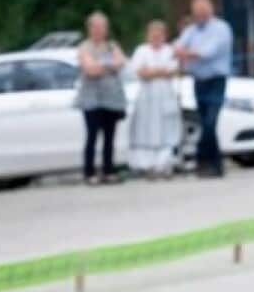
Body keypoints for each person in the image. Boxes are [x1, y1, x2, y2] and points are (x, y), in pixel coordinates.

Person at [174, 0, 233, 179]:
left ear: (210, 9)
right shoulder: (191, 31)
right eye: (195, 12)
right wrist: (185, 53)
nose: (199, 15)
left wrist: (187, 53)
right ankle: (215, 165)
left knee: (210, 122)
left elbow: (208, 53)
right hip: (199, 81)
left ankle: (203, 159)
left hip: (216, 80)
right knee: (204, 122)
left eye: (202, 11)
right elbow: (176, 47)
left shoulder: (221, 29)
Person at [76, 11, 128, 185]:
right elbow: (90, 69)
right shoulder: (84, 47)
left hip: (111, 99)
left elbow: (121, 62)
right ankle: (89, 172)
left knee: (109, 137)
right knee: (92, 136)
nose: (99, 30)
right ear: (89, 29)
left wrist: (101, 66)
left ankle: (108, 170)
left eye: (102, 27)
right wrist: (108, 66)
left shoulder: (112, 46)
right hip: (91, 100)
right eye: (96, 27)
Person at [128, 20, 182, 179]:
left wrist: (153, 71)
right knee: (146, 129)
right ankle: (147, 165)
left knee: (166, 129)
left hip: (165, 94)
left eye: (160, 34)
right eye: (153, 34)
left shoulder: (169, 50)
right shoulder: (141, 50)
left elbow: (173, 70)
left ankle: (164, 164)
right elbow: (140, 72)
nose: (156, 37)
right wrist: (159, 71)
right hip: (147, 96)